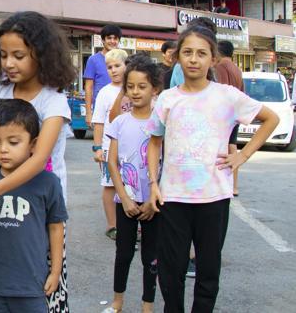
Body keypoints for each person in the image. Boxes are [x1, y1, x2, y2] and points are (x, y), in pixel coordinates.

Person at [146, 25, 279, 313]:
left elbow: (270, 119)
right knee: (171, 270)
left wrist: (242, 156)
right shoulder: (168, 98)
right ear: (177, 58)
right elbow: (154, 142)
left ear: (213, 59)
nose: (194, 59)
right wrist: (153, 184)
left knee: (208, 270)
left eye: (201, 53)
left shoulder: (227, 95)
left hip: (214, 198)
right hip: (173, 198)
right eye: (188, 52)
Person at [0, 11, 76, 311]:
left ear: (42, 55)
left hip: (39, 205)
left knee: (43, 290)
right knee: (2, 265)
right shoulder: (0, 91)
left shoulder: (53, 101)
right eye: (4, 55)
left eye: (19, 55)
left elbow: (38, 161)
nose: (9, 63)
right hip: (1, 201)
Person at [0, 99, 68, 313]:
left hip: (31, 285)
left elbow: (56, 228)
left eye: (13, 142)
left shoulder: (48, 183)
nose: (3, 150)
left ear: (33, 144)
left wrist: (55, 272)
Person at [102, 55, 162, 313]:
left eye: (142, 86)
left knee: (151, 256)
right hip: (124, 201)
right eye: (131, 86)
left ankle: (147, 305)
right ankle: (118, 302)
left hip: (155, 203)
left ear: (155, 89)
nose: (135, 92)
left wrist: (152, 199)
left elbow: (166, 164)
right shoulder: (119, 122)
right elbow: (112, 162)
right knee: (123, 254)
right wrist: (124, 198)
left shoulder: (161, 124)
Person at [91, 49, 129, 240]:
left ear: (126, 65)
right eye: (109, 67)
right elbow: (99, 122)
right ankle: (112, 225)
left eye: (117, 66)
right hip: (108, 148)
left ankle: (131, 224)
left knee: (130, 184)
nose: (113, 70)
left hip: (130, 149)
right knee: (109, 185)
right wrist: (98, 148)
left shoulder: (133, 88)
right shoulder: (105, 92)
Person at [215, 40, 244, 196]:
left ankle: (227, 184)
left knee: (225, 150)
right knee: (232, 148)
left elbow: (220, 91)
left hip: (225, 115)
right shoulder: (236, 69)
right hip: (235, 113)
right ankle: (234, 186)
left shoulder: (221, 67)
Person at [84, 25, 122, 127]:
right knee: (101, 142)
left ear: (119, 40)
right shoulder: (93, 60)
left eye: (115, 38)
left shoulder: (123, 59)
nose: (112, 41)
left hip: (121, 108)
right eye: (109, 38)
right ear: (103, 40)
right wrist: (88, 112)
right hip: (101, 110)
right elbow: (88, 87)